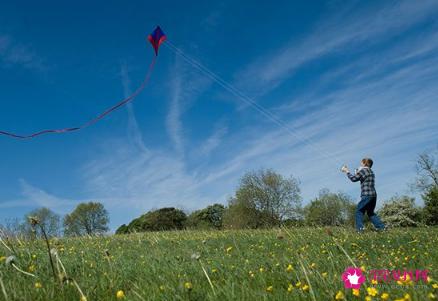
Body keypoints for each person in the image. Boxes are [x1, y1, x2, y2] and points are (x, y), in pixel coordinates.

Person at [341, 158, 385, 232]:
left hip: (366, 195)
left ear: (364, 163)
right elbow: (362, 177)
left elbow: (353, 179)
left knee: (359, 211)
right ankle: (382, 228)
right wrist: (358, 172)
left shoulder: (363, 170)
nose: (360, 164)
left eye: (361, 163)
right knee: (370, 212)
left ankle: (360, 230)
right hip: (373, 195)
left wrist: (347, 171)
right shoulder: (371, 171)